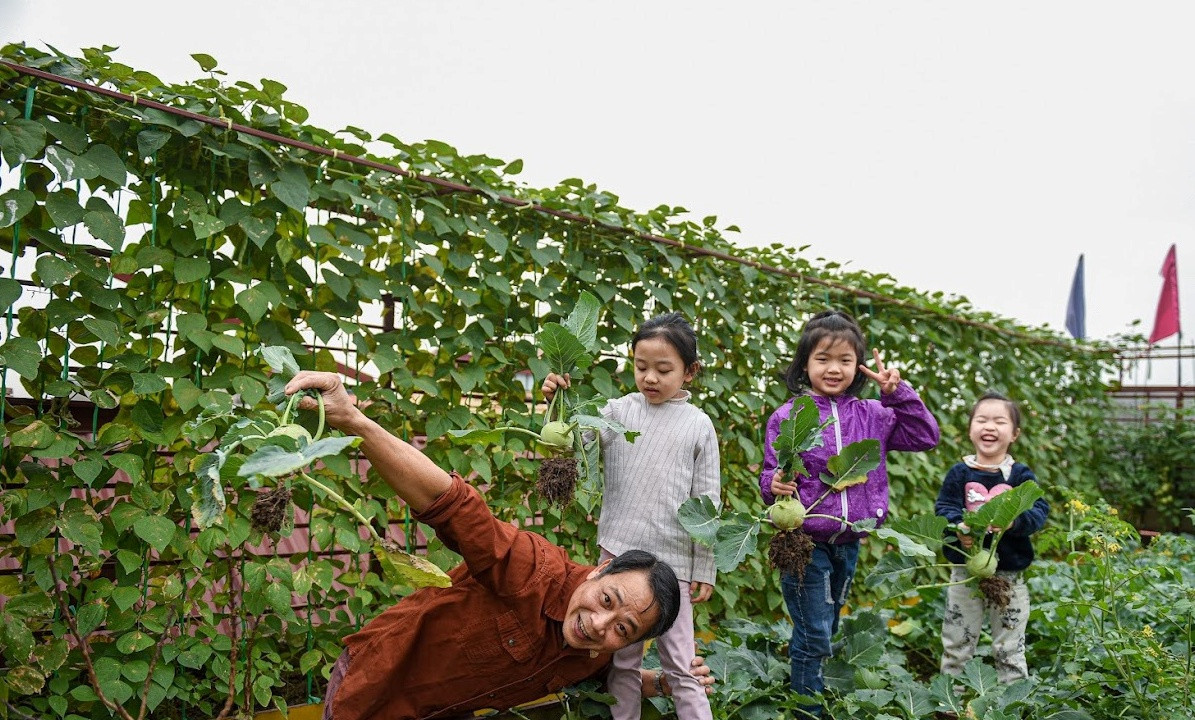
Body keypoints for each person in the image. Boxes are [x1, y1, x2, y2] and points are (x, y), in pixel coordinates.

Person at [280, 372, 715, 720]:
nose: (601, 624)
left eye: (623, 630)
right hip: (377, 687)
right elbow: (453, 505)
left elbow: (597, 679)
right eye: (607, 600)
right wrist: (353, 420)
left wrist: (662, 682)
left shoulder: (594, 648)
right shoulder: (534, 571)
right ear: (601, 570)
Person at [758, 310, 939, 715]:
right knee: (815, 631)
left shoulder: (873, 414)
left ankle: (810, 689)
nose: (834, 369)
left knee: (827, 624)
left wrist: (898, 393)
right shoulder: (788, 416)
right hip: (805, 543)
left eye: (845, 360)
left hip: (849, 542)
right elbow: (773, 474)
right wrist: (773, 485)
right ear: (805, 364)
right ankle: (808, 709)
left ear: (858, 366)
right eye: (823, 359)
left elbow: (925, 436)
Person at [542, 312, 721, 720]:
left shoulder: (699, 425)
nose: (650, 378)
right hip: (618, 559)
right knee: (621, 663)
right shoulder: (617, 410)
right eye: (641, 367)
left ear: (690, 372)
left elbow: (708, 503)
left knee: (682, 666)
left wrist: (704, 566)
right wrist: (556, 401)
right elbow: (572, 438)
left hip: (673, 566)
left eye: (663, 370)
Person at [934, 391, 1049, 682]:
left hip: (1009, 574)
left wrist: (1013, 522)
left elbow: (1039, 510)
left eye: (999, 421)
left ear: (1015, 434)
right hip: (966, 573)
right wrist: (959, 528)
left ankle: (1012, 697)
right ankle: (951, 697)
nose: (989, 427)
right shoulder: (959, 473)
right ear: (970, 429)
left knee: (1010, 645)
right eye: (982, 420)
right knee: (957, 641)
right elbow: (944, 508)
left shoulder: (1020, 475)